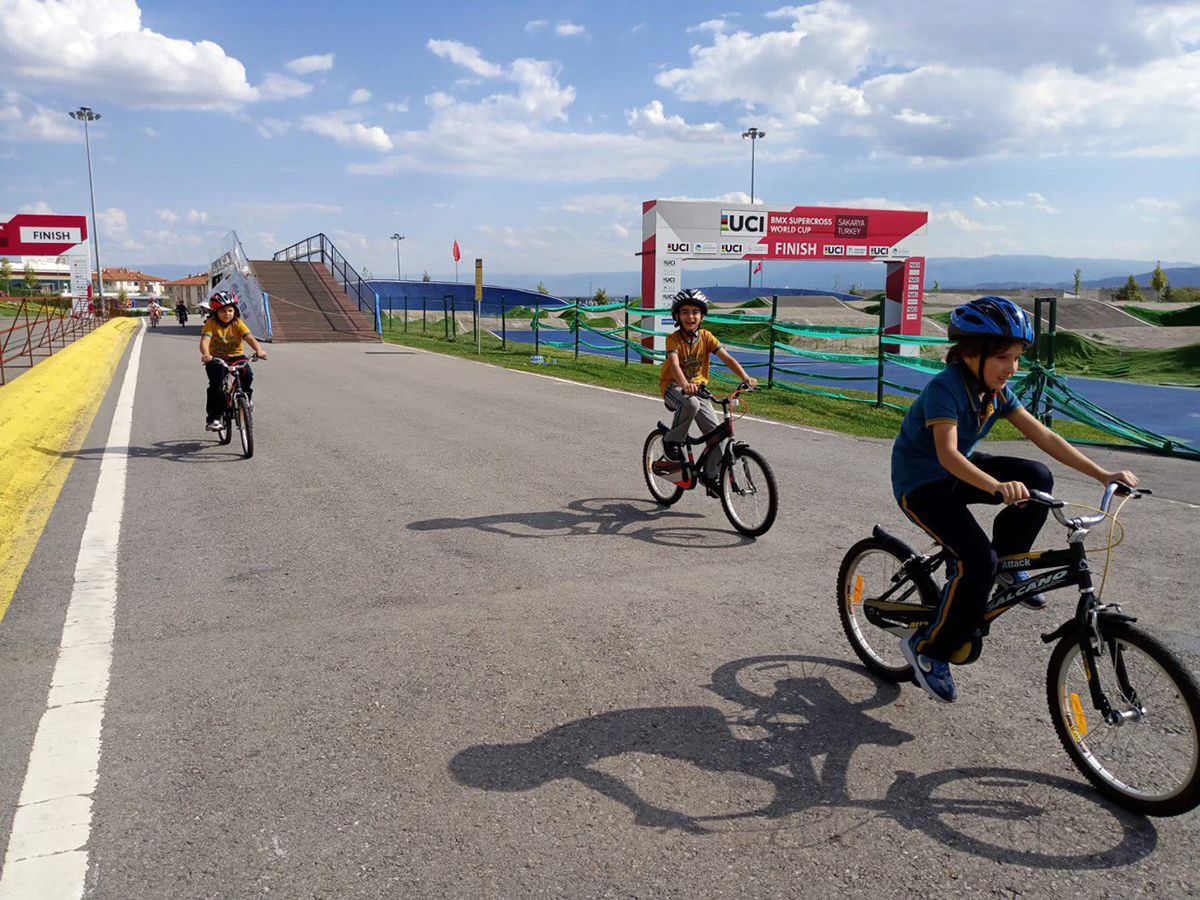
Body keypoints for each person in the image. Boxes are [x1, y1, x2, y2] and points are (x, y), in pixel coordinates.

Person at [891, 296, 1137, 703]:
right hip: (922, 484)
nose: (1013, 368)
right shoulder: (945, 389)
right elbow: (947, 455)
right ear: (972, 353)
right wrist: (994, 486)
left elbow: (1046, 437)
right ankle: (929, 649)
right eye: (1004, 357)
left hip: (961, 471)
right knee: (976, 561)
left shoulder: (996, 391)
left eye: (1018, 358)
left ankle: (1009, 562)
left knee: (1036, 475)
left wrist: (1104, 474)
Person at [651, 288, 758, 483]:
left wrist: (745, 377)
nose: (690, 316)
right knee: (690, 404)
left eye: (695, 312)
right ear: (677, 316)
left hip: (698, 391)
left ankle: (710, 476)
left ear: (701, 316)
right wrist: (685, 384)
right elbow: (674, 365)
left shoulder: (707, 337)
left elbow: (727, 357)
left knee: (717, 437)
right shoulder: (673, 339)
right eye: (684, 312)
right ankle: (671, 441)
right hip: (673, 388)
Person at [199, 291, 267, 431]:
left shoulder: (238, 323)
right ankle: (214, 418)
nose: (227, 314)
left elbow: (249, 338)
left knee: (247, 374)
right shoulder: (211, 324)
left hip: (237, 356)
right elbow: (204, 341)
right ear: (216, 312)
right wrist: (206, 354)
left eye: (230, 310)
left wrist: (259, 350)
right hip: (216, 358)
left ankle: (246, 398)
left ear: (234, 311)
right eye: (223, 311)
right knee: (216, 387)